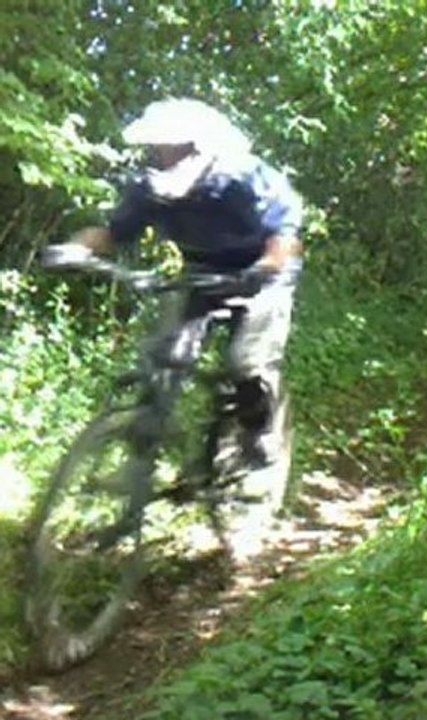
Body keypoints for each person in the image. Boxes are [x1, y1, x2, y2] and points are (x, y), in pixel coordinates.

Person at [46, 98, 304, 469]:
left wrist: (262, 270)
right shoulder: (151, 189)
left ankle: (258, 432)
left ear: (201, 150)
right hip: (201, 271)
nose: (166, 159)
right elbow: (112, 232)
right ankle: (143, 452)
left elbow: (286, 237)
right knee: (165, 355)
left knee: (246, 362)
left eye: (176, 151)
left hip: (264, 273)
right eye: (159, 151)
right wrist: (74, 249)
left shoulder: (247, 179)